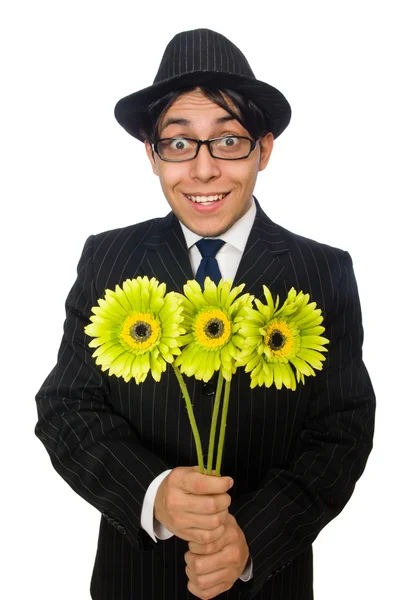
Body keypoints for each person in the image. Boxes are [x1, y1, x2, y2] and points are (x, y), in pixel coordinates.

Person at [34, 28, 375, 600]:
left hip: (266, 582)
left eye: (229, 141)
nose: (203, 170)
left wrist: (251, 540)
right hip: (134, 580)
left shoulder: (323, 271)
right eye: (178, 143)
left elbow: (340, 434)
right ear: (152, 155)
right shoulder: (109, 257)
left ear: (264, 149)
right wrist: (154, 493)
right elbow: (67, 407)